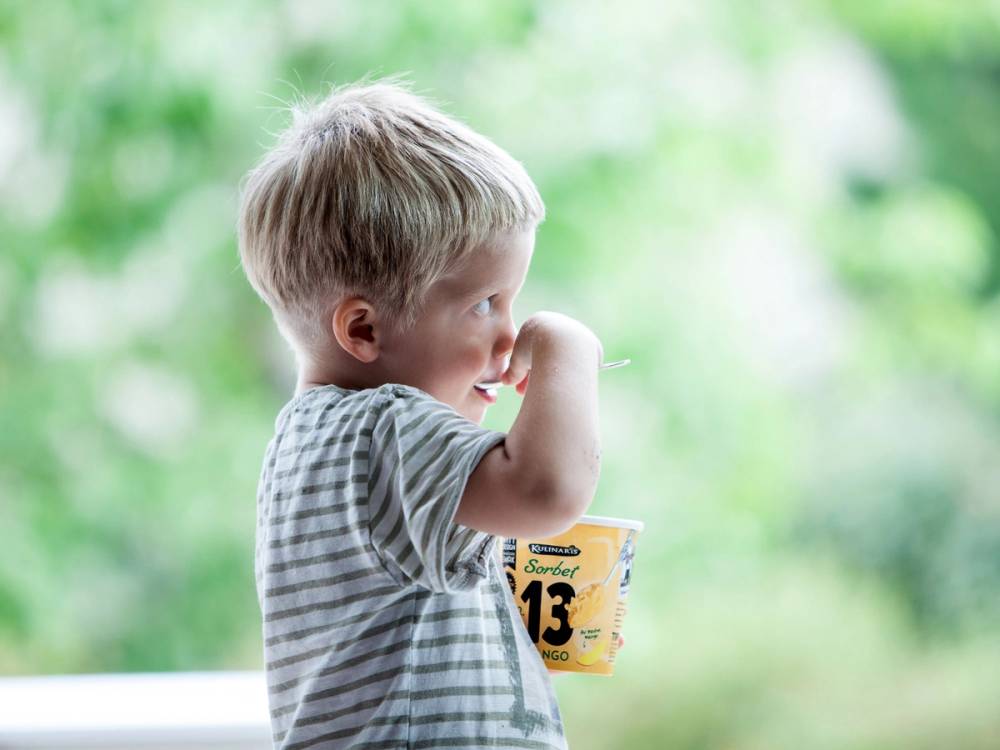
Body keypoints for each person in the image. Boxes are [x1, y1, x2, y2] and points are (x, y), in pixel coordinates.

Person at [238, 76, 613, 750]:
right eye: (484, 304)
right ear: (365, 331)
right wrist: (569, 344)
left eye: (514, 302)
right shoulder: (378, 430)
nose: (510, 335)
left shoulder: (317, 442)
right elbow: (546, 489)